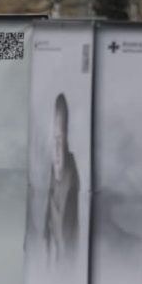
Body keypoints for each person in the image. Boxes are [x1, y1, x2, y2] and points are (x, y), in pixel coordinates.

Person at [44, 93, 79, 266]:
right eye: (54, 141)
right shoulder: (47, 179)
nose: (57, 150)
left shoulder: (73, 180)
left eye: (61, 141)